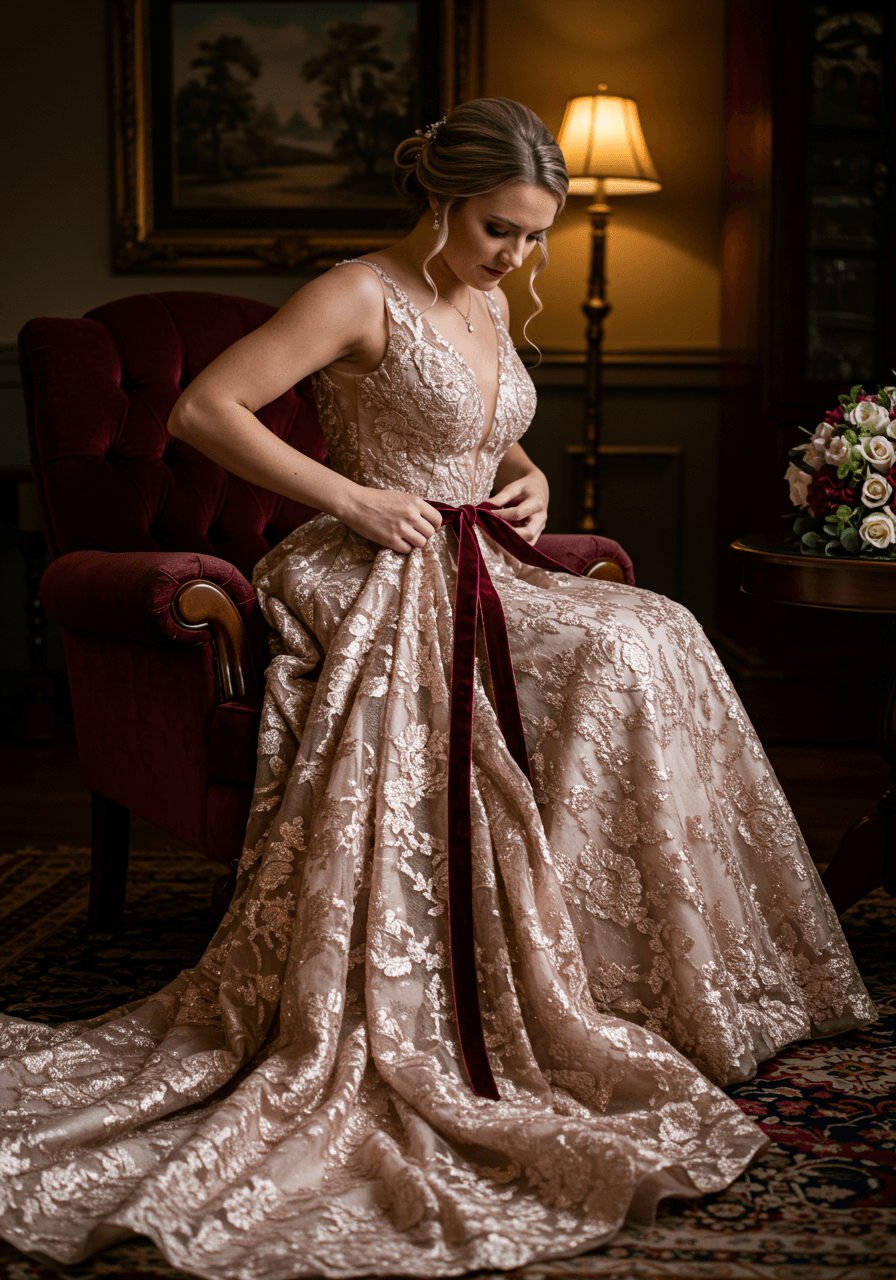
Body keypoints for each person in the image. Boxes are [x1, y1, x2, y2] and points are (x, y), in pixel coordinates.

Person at [0, 98, 875, 1279]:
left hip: (479, 550)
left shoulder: (486, 297)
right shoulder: (357, 291)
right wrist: (350, 498)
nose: (516, 254)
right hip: (373, 560)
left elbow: (483, 426)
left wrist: (530, 477)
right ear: (442, 201)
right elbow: (202, 410)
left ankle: (628, 972)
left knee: (656, 631)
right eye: (498, 229)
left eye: (533, 235)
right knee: (620, 649)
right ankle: (540, 981)